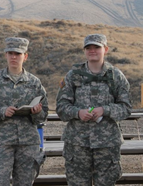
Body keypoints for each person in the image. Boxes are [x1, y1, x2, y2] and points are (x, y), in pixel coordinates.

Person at [56, 34, 132, 186]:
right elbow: (61, 107)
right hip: (77, 143)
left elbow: (126, 108)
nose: (92, 51)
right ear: (84, 51)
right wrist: (78, 113)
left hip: (107, 143)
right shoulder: (73, 76)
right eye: (88, 48)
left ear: (105, 49)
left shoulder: (115, 76)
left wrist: (105, 110)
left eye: (96, 47)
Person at [0, 37, 49, 186]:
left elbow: (44, 113)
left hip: (28, 142)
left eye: (18, 53)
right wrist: (2, 111)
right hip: (2, 142)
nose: (14, 57)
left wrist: (36, 112)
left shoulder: (34, 82)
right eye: (10, 53)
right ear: (6, 55)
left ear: (25, 56)